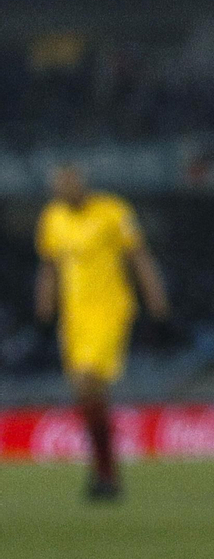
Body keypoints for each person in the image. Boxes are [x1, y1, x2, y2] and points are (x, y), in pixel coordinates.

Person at [34, 165, 169, 501]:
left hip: (110, 311)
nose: (64, 189)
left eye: (69, 182)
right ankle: (105, 472)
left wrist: (157, 305)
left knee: (88, 381)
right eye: (58, 185)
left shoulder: (112, 211)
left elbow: (139, 258)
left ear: (81, 183)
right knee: (85, 395)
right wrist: (44, 311)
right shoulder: (53, 219)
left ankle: (106, 474)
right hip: (74, 317)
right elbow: (49, 268)